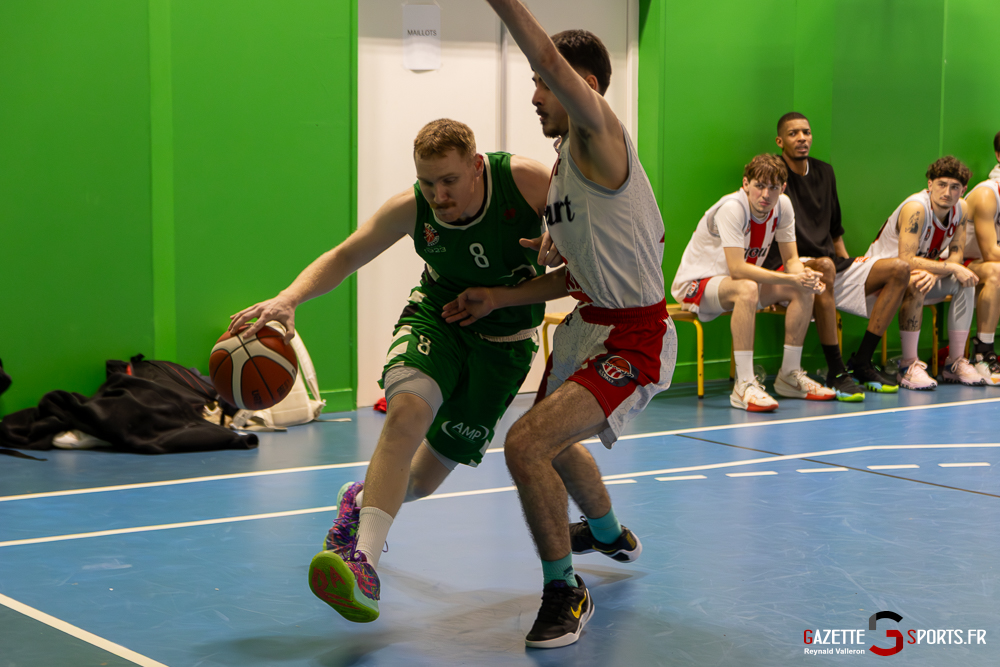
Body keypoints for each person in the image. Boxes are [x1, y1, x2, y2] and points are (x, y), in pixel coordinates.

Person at [228, 118, 552, 623]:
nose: (438, 194)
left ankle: (359, 500)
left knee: (419, 482)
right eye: (428, 182)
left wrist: (514, 287)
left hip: (505, 344)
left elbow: (577, 270)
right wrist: (290, 298)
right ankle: (363, 565)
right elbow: (346, 254)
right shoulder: (413, 207)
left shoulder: (530, 182)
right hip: (439, 320)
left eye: (448, 181)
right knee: (405, 414)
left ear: (474, 166)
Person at [444, 2, 674, 648]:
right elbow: (573, 276)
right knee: (556, 443)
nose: (536, 94)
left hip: (634, 334)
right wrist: (499, 294)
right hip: (585, 326)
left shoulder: (599, 137)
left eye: (544, 84)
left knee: (524, 444)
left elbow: (546, 54)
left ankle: (564, 590)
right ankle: (604, 530)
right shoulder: (563, 171)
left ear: (586, 87)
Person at [671, 154, 837, 411]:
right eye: (759, 185)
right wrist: (790, 275)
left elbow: (791, 259)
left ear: (782, 188)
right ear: (746, 183)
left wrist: (801, 275)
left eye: (773, 187)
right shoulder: (732, 208)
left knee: (799, 286)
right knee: (747, 286)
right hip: (697, 285)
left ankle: (790, 375)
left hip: (738, 286)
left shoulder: (783, 206)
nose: (765, 195)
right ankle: (744, 384)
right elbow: (737, 270)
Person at [764, 112, 908, 396]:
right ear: (780, 141)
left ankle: (863, 361)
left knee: (900, 269)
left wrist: (853, 266)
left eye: (806, 132)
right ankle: (836, 369)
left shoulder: (825, 172)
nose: (802, 138)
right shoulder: (773, 177)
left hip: (829, 264)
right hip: (787, 267)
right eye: (793, 134)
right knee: (826, 267)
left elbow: (834, 232)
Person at [864, 156, 985, 389]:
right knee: (917, 280)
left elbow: (957, 255)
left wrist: (937, 273)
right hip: (880, 278)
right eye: (941, 184)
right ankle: (907, 366)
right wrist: (947, 268)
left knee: (967, 280)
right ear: (929, 184)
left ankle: (955, 362)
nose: (947, 192)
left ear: (964, 189)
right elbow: (906, 260)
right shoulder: (916, 208)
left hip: (918, 273)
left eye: (954, 187)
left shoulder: (962, 208)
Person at [959, 131, 1000, 384]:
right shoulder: (988, 194)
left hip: (986, 263)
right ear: (998, 156)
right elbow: (991, 253)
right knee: (997, 271)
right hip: (957, 263)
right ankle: (982, 352)